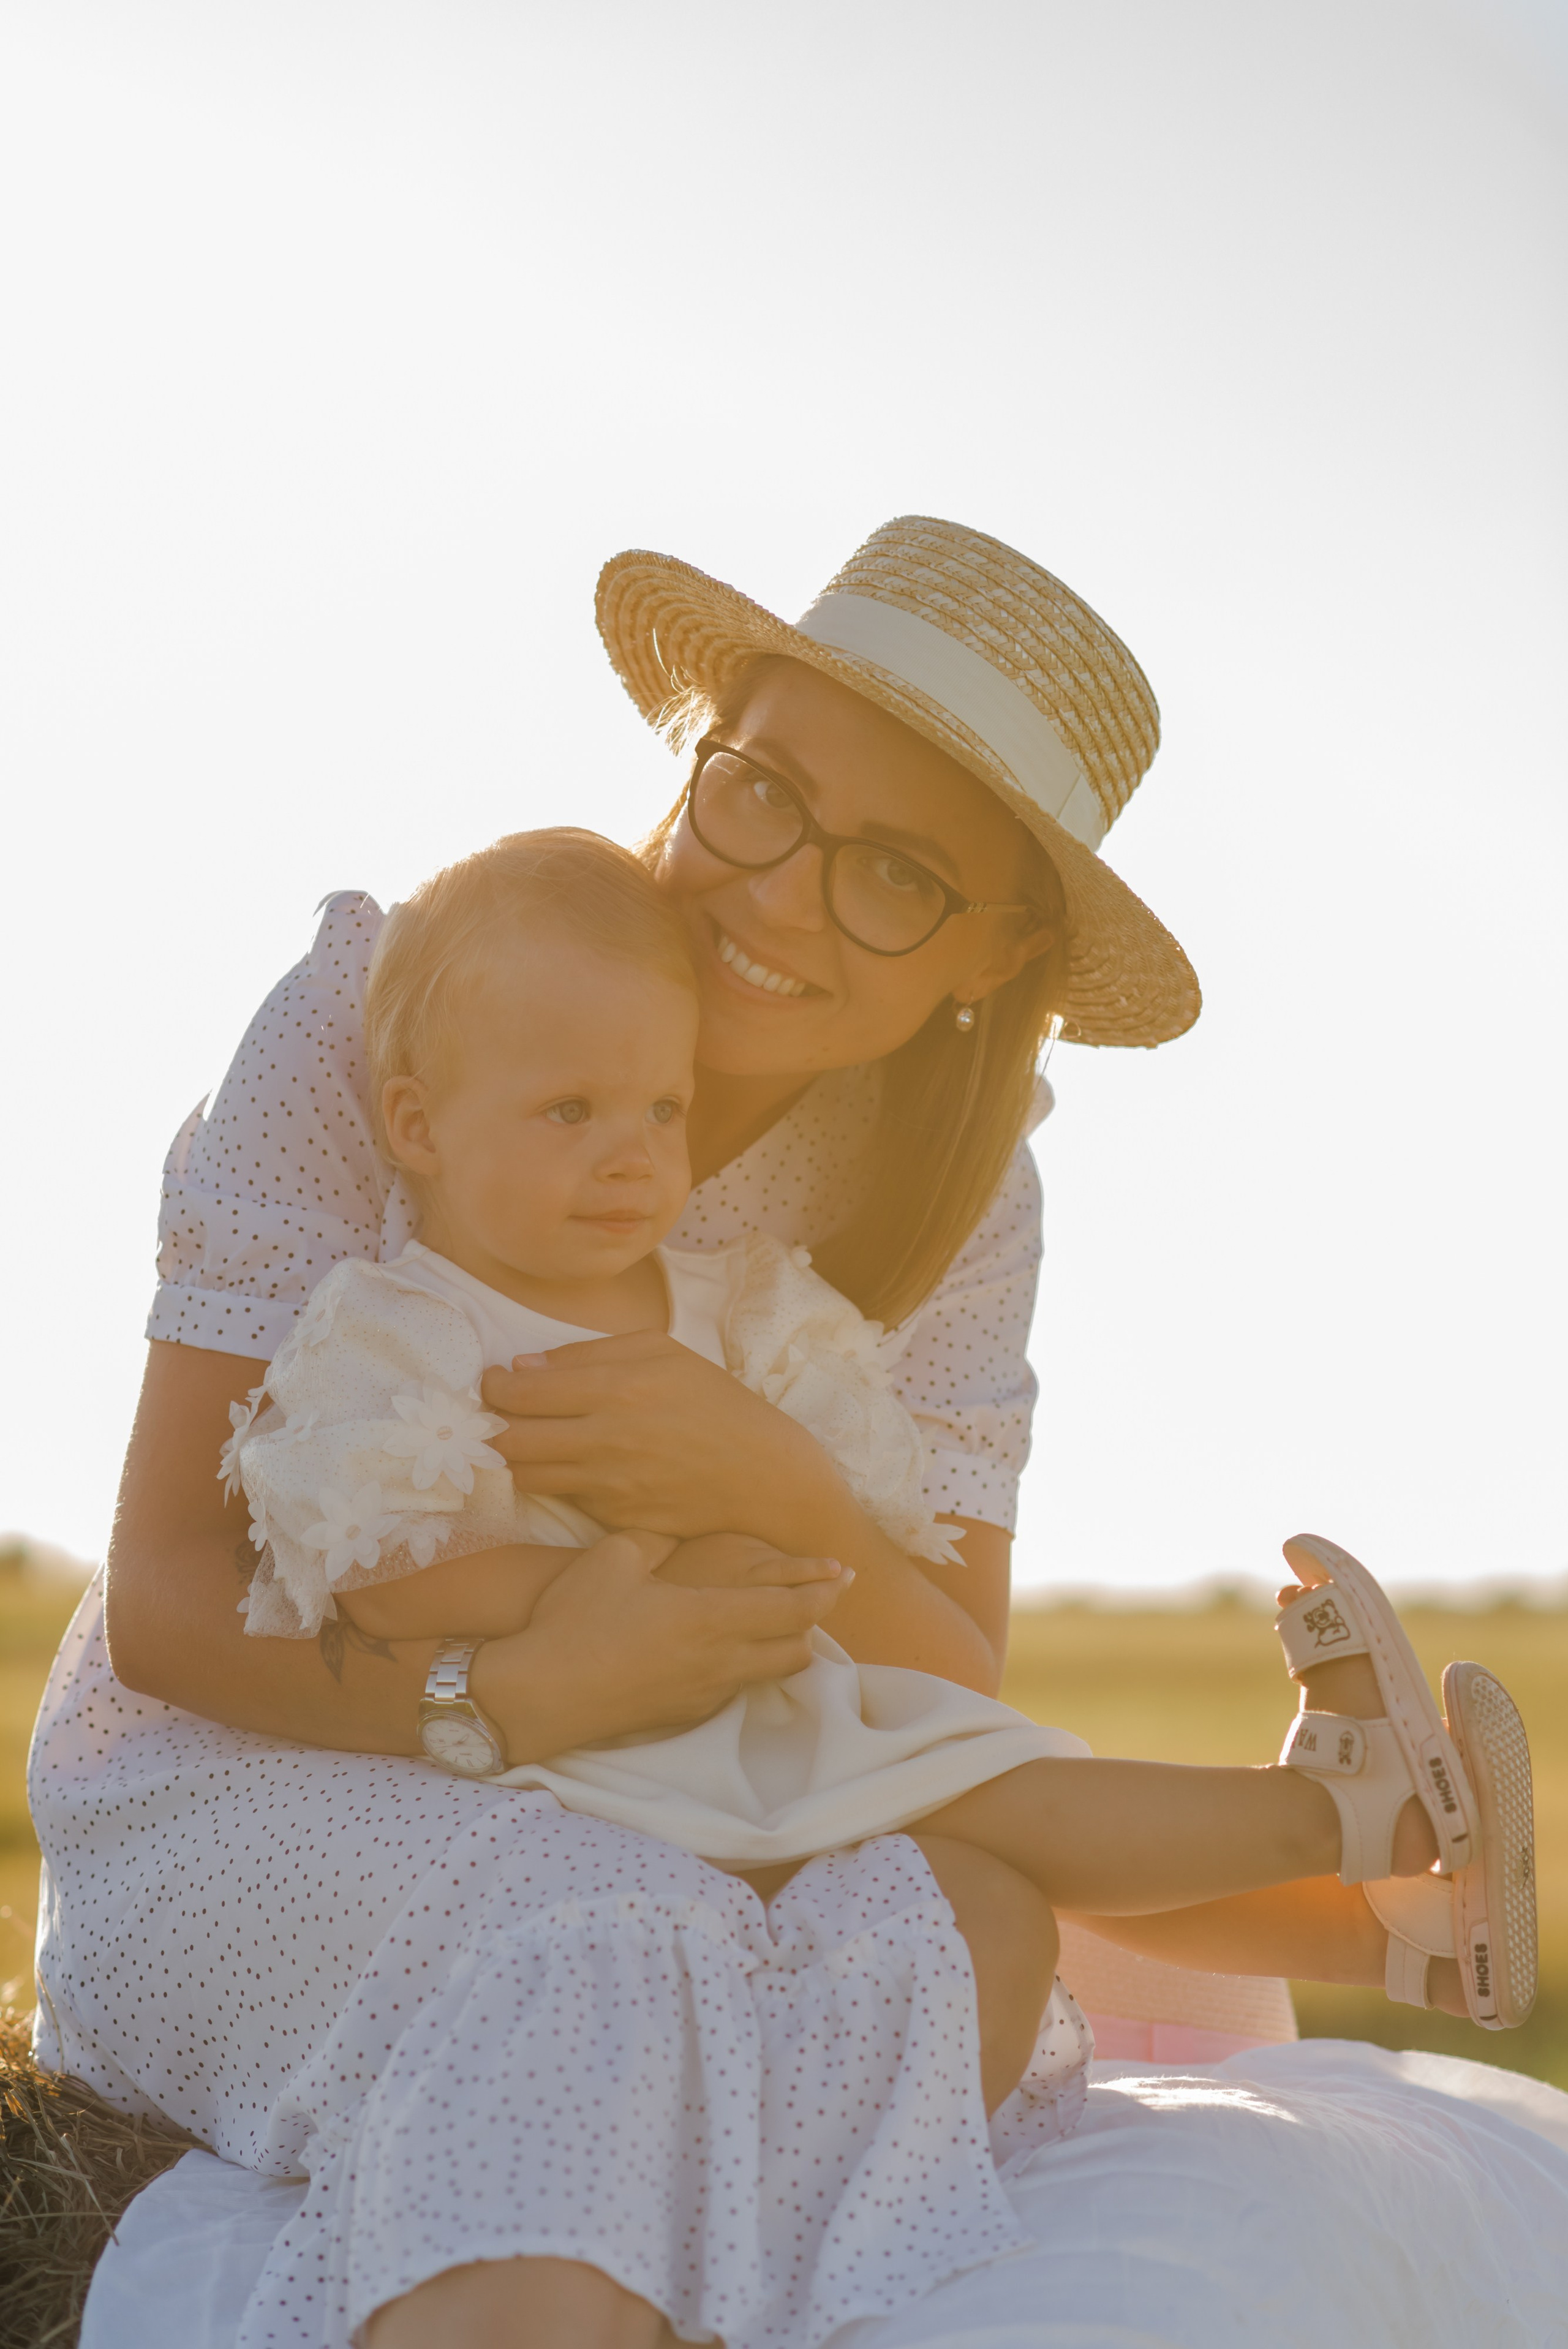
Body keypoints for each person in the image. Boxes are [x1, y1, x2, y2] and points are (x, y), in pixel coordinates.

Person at [30, 518, 1566, 2349]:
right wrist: (511, 1689)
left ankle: (1353, 1879)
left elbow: (941, 1685)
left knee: (981, 1917)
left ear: (997, 954)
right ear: (704, 751)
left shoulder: (953, 1203)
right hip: (269, 1762)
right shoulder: (415, 1001)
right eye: (762, 789)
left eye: (897, 874)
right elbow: (169, 1604)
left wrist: (782, 1488)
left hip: (689, 1764)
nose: (776, 895)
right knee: (620, 1925)